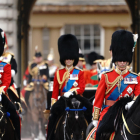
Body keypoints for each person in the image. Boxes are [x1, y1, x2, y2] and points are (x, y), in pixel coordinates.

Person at [92, 30, 140, 140]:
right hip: (109, 111)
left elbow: (138, 96)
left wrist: (132, 103)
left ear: (128, 61)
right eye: (120, 61)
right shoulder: (106, 76)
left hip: (128, 111)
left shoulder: (135, 78)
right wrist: (95, 117)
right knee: (99, 133)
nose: (122, 63)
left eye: (124, 61)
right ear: (115, 60)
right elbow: (98, 99)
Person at [47, 34, 92, 140]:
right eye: (66, 59)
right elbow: (55, 92)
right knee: (53, 117)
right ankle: (50, 137)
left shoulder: (79, 72)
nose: (68, 60)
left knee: (90, 112)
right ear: (63, 59)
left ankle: (91, 135)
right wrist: (54, 103)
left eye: (70, 59)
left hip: (77, 99)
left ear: (74, 59)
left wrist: (73, 92)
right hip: (63, 100)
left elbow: (81, 87)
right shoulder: (58, 73)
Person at [0, 28, 20, 139]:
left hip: (2, 94)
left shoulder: (6, 64)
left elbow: (7, 80)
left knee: (15, 116)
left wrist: (1, 92)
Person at [0, 32, 19, 103]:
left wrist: (10, 72)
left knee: (15, 92)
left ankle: (18, 105)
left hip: (8, 81)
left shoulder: (9, 57)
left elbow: (14, 68)